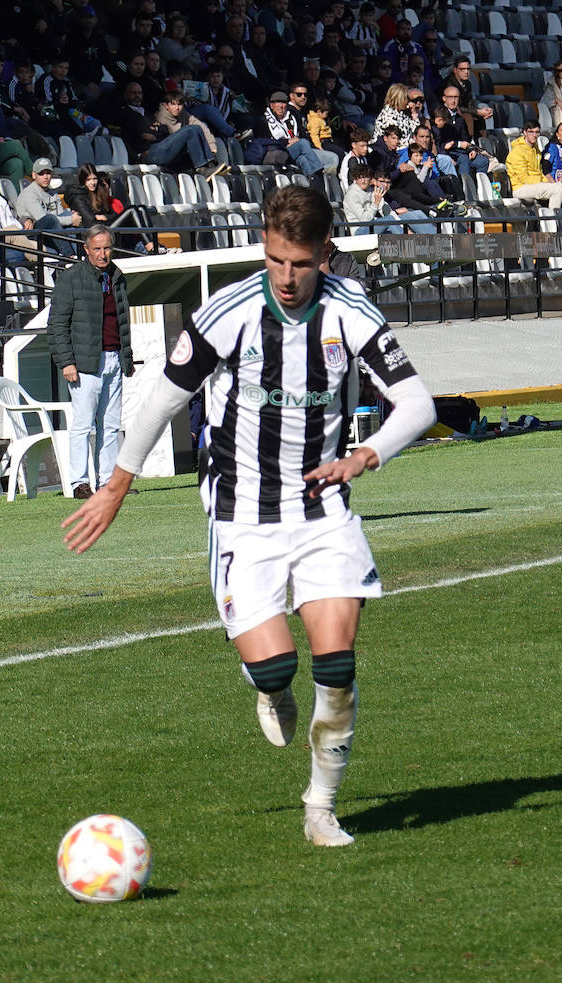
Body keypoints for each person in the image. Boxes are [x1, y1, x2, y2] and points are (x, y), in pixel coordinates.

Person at [62, 186, 437, 848]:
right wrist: (116, 487)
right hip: (241, 512)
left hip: (322, 508)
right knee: (274, 670)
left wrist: (365, 455)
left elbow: (417, 404)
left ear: (325, 252)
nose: (287, 278)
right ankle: (267, 686)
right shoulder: (226, 312)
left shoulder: (350, 311)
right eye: (274, 261)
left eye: (299, 263)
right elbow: (160, 404)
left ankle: (321, 807)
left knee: (339, 666)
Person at [47, 225, 134, 500]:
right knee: (83, 425)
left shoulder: (117, 276)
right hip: (85, 363)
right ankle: (79, 483)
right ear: (86, 249)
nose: (103, 254)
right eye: (97, 249)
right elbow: (57, 324)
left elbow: (122, 321)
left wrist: (126, 357)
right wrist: (66, 362)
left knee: (110, 425)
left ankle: (108, 482)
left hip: (113, 359)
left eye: (107, 248)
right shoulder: (71, 278)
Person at [505, 120, 562, 211]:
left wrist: (548, 182)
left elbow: (540, 172)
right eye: (531, 132)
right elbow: (523, 178)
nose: (534, 135)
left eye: (537, 132)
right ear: (524, 132)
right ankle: (553, 222)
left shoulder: (536, 150)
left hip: (536, 184)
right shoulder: (517, 151)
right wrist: (544, 182)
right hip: (521, 187)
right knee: (556, 190)